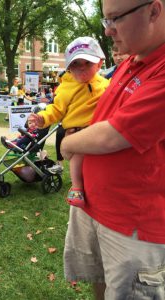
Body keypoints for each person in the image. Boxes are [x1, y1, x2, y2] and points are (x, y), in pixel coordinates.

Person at [61, 1, 165, 299]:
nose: (107, 31)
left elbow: (113, 135)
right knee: (98, 278)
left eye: (115, 19)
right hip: (94, 205)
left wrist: (68, 142)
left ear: (153, 11)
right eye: (106, 20)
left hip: (131, 224)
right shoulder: (131, 62)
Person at [29, 37, 109, 208]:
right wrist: (42, 117)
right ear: (68, 68)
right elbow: (56, 109)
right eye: (75, 64)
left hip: (100, 131)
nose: (81, 68)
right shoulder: (66, 87)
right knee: (77, 158)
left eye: (87, 62)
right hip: (77, 132)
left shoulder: (105, 84)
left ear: (99, 64)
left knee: (101, 165)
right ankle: (77, 187)